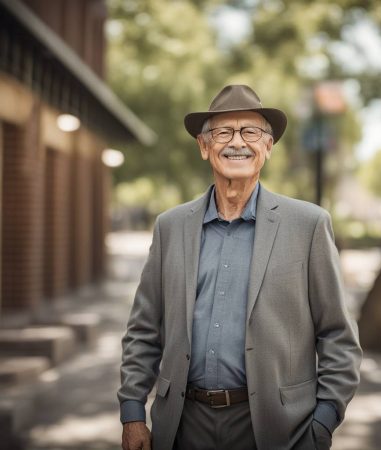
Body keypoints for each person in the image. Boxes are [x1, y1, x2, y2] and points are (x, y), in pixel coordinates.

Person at [118, 85, 362, 450]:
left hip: (279, 429)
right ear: (204, 147)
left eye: (250, 132)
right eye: (223, 133)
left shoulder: (308, 225)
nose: (237, 143)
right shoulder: (170, 227)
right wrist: (133, 412)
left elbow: (338, 336)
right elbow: (143, 330)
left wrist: (323, 423)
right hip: (183, 426)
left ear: (268, 146)